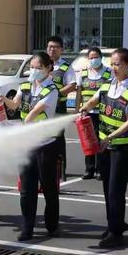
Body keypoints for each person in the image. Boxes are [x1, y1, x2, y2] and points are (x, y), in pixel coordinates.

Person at [79, 48, 128, 249]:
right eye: (112, 64)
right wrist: (85, 107)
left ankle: (116, 234)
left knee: (116, 190)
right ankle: (113, 225)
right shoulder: (107, 85)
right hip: (105, 145)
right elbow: (93, 100)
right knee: (107, 188)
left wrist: (112, 136)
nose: (114, 68)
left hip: (121, 148)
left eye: (118, 64)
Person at [2, 52, 59, 242]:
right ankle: (27, 228)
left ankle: (52, 223)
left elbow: (35, 111)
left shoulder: (51, 89)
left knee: (49, 187)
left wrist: (24, 123)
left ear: (47, 68)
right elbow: (15, 105)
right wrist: (2, 100)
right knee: (26, 189)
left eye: (38, 67)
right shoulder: (24, 86)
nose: (33, 71)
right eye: (31, 67)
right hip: (27, 145)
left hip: (45, 146)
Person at [75, 47, 112, 180]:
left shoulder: (109, 72)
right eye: (90, 57)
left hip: (102, 113)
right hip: (87, 113)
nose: (93, 60)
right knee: (88, 140)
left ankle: (100, 170)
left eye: (95, 57)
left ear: (101, 58)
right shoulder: (83, 72)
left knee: (101, 140)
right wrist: (76, 111)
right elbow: (79, 92)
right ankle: (89, 169)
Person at [47, 35, 76, 180]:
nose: (52, 50)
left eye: (55, 47)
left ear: (61, 50)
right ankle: (46, 165)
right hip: (42, 107)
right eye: (50, 47)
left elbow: (72, 85)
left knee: (57, 138)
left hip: (58, 107)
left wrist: (56, 94)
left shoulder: (65, 66)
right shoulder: (41, 64)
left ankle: (61, 169)